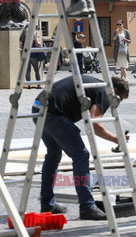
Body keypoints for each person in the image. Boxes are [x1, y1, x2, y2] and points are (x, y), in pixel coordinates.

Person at [32, 75, 129, 219]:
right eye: (119, 99)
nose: (117, 103)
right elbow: (94, 124)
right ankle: (87, 206)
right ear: (115, 90)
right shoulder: (104, 92)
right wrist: (117, 139)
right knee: (81, 155)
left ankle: (47, 204)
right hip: (53, 115)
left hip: (38, 108)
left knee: (53, 155)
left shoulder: (96, 85)